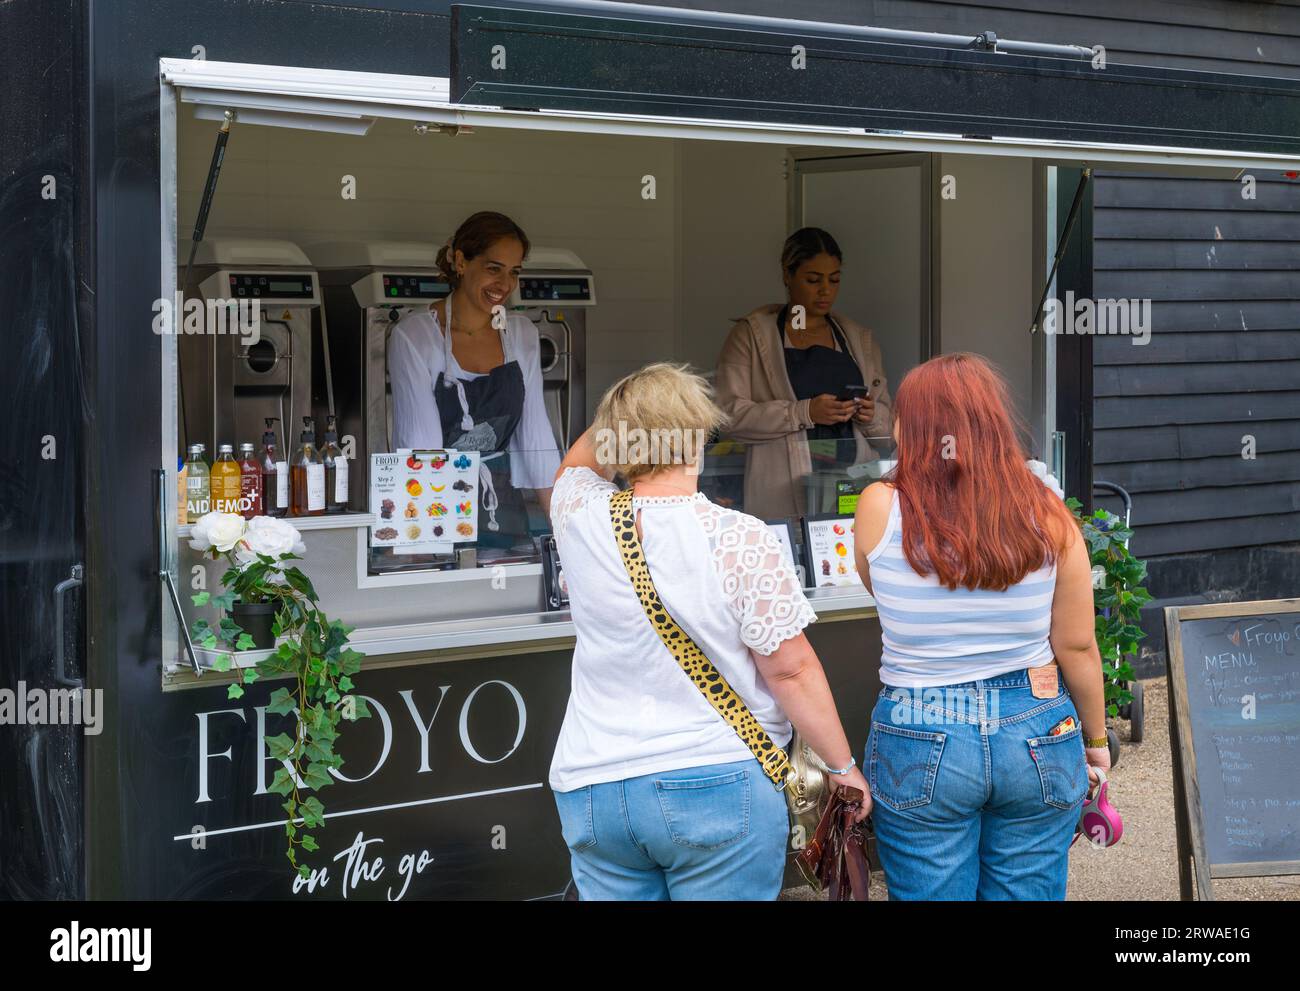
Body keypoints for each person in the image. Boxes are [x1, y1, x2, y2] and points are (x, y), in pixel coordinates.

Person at [548, 363, 871, 900]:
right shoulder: (741, 538)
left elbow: (577, 463)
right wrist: (842, 766)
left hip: (592, 788)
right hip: (716, 782)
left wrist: (630, 417)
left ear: (617, 439)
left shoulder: (578, 513)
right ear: (697, 437)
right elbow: (790, 669)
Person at [852, 352, 1110, 900]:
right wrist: (1096, 740)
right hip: (1036, 725)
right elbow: (1078, 644)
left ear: (914, 427)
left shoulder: (879, 505)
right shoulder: (1046, 510)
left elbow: (882, 593)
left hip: (919, 724)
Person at [387, 211, 559, 544]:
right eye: (494, 268)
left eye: (514, 272)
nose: (505, 285)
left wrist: (563, 533)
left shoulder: (521, 334)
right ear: (461, 262)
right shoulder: (416, 336)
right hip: (435, 505)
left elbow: (537, 437)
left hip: (506, 512)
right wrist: (423, 545)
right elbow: (419, 447)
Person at [715, 227, 893, 520]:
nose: (825, 290)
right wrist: (804, 412)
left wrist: (871, 416)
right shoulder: (752, 335)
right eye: (813, 280)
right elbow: (728, 417)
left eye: (834, 280)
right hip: (780, 496)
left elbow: (889, 437)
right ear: (788, 274)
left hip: (852, 494)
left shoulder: (859, 339)